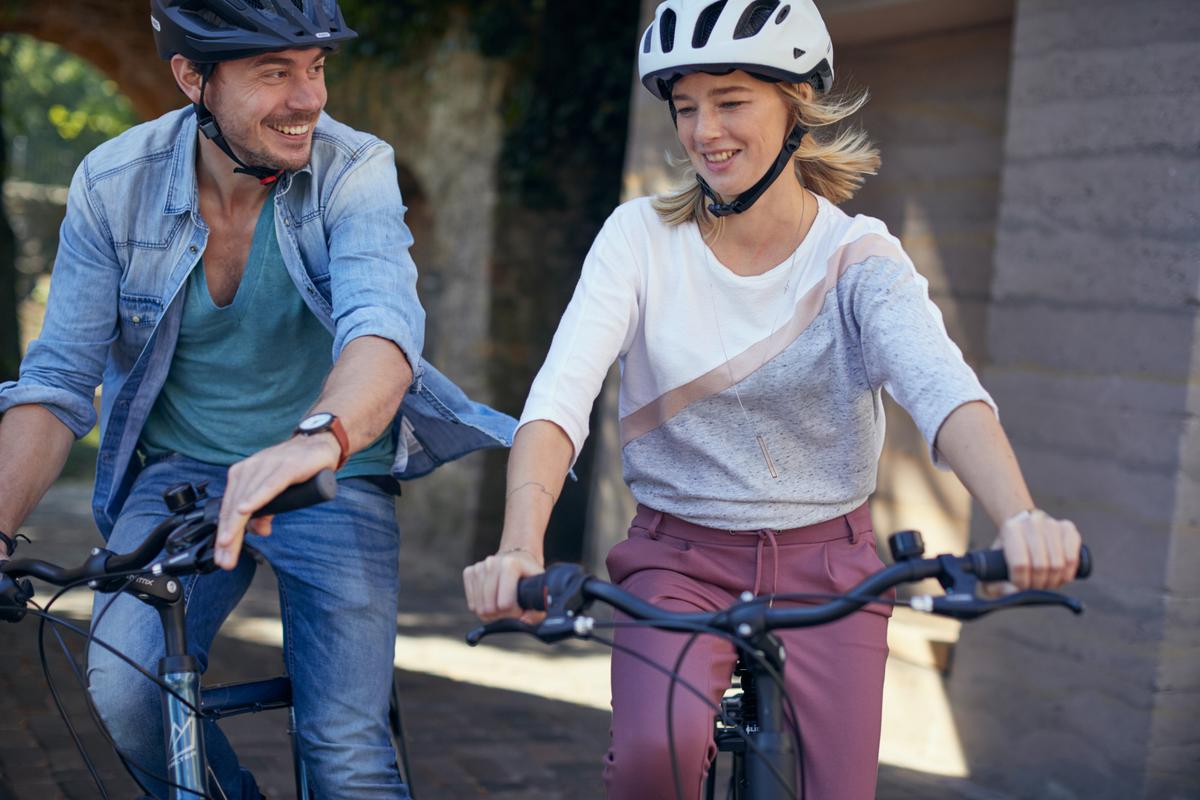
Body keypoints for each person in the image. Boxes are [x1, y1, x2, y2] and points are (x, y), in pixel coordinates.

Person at [462, 1, 1083, 798]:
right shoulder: (639, 238)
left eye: (730, 101)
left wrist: (1021, 515)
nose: (703, 131)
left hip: (833, 572)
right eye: (686, 107)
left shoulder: (858, 256)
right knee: (656, 755)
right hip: (676, 561)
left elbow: (944, 391)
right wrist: (521, 546)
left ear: (796, 105)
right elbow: (561, 396)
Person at [0, 1, 513, 797]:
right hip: (182, 473)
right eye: (275, 73)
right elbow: (61, 380)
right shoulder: (112, 184)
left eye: (316, 68)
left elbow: (382, 330)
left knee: (344, 748)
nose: (309, 98)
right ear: (192, 79)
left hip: (329, 469)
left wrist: (319, 438)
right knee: (128, 691)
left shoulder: (355, 168)